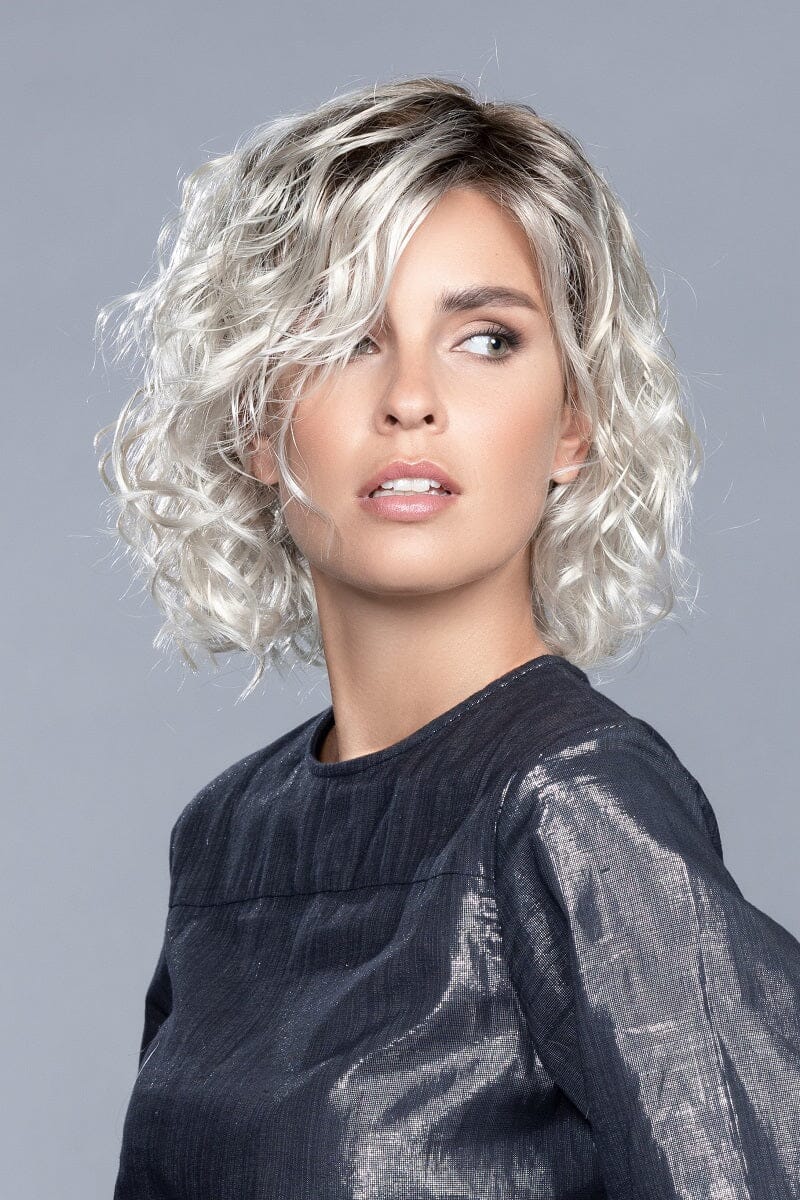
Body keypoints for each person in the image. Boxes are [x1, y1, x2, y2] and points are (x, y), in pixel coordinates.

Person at [94, 76, 800, 1199]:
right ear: (256, 423)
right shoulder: (229, 834)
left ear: (572, 424)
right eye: (343, 338)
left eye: (484, 338)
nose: (410, 398)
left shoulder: (576, 807)